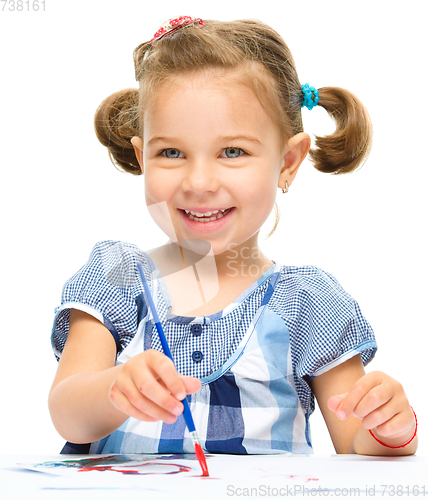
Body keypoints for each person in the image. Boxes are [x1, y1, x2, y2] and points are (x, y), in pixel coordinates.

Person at [48, 16, 417, 456]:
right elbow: (67, 412)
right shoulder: (119, 278)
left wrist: (388, 428)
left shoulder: (309, 304)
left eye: (232, 151)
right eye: (170, 152)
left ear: (288, 162)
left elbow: (356, 445)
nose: (199, 181)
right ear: (141, 155)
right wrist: (114, 388)